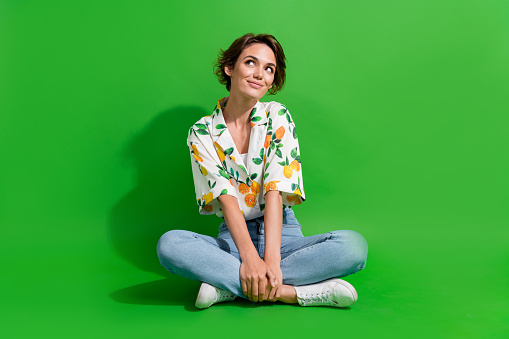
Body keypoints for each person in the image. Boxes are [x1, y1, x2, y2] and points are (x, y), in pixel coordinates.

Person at [157, 33, 368, 309]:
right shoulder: (201, 131)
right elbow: (226, 198)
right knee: (169, 245)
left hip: (283, 238)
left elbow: (275, 191)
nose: (260, 74)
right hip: (233, 241)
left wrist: (269, 262)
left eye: (269, 68)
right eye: (250, 63)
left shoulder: (277, 116)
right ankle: (293, 293)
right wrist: (249, 260)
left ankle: (229, 286)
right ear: (229, 68)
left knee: (353, 247)